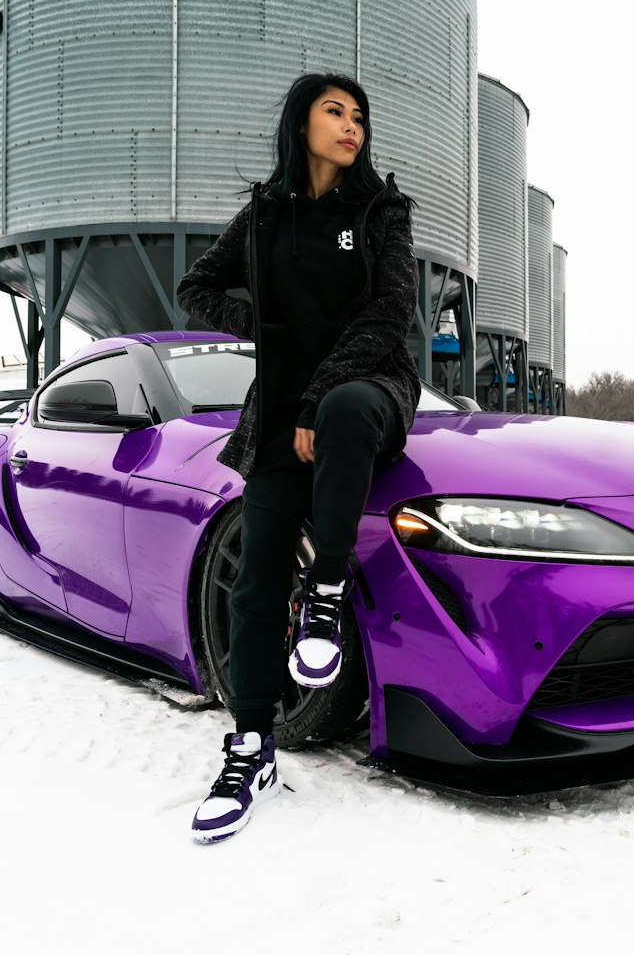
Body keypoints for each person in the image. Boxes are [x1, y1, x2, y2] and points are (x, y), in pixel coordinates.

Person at [176, 72, 420, 842]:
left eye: (360, 116)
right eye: (335, 111)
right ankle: (251, 747)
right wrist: (263, 325)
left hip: (370, 386)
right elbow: (196, 285)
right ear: (301, 123)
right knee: (252, 586)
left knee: (345, 407)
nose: (352, 126)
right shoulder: (265, 218)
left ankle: (327, 593)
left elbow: (390, 311)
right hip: (283, 408)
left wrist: (321, 390)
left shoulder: (383, 212)